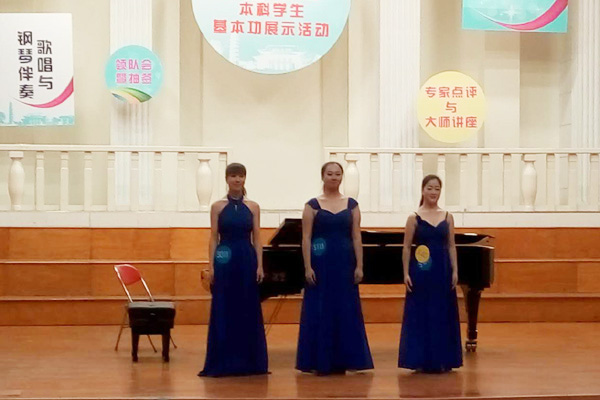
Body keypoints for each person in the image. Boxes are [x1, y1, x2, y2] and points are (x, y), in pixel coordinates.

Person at [296, 161, 374, 375]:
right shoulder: (312, 205)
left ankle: (346, 359)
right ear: (323, 176)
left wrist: (360, 265)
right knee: (320, 309)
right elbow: (306, 238)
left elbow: (356, 236)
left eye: (338, 174)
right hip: (321, 265)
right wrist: (307, 266)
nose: (334, 177)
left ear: (342, 177)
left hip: (345, 264)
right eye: (330, 174)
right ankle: (319, 360)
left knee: (345, 309)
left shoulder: (352, 205)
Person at [199, 163, 268, 377]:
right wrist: (211, 265)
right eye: (233, 176)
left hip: (246, 258)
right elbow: (213, 237)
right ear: (227, 179)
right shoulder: (217, 207)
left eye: (240, 176)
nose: (237, 180)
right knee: (224, 307)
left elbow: (257, 238)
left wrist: (260, 265)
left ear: (245, 179)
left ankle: (250, 362)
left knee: (247, 307)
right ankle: (223, 361)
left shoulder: (253, 207)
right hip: (225, 257)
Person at [398, 174, 463, 373]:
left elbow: (451, 246)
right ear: (422, 190)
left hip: (442, 270)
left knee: (442, 312)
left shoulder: (447, 216)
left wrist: (455, 270)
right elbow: (406, 247)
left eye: (437, 188)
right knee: (422, 313)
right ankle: (421, 359)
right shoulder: (414, 218)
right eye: (430, 188)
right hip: (421, 271)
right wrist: (405, 273)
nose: (433, 192)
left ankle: (443, 359)